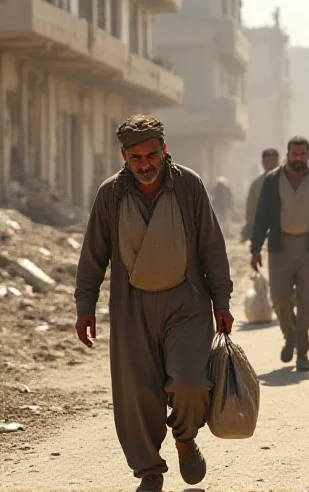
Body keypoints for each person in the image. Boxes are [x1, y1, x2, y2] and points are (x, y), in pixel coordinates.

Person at [74, 114, 234, 492]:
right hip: (132, 308)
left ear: (164, 150)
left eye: (150, 155)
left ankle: (185, 439)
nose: (144, 165)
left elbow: (212, 246)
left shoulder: (188, 186)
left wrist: (222, 300)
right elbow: (93, 255)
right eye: (135, 158)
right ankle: (149, 470)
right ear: (124, 157)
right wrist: (85, 306)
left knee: (192, 381)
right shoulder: (110, 194)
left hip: (187, 303)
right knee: (138, 393)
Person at [250, 136, 309, 372]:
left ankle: (302, 352)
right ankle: (289, 335)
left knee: (308, 304)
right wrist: (255, 249)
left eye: (302, 155)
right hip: (280, 248)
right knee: (279, 298)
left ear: (308, 156)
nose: (298, 159)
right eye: (294, 155)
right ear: (287, 155)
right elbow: (261, 216)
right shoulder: (273, 180)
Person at [242, 148, 280, 243]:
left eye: (273, 161)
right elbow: (251, 206)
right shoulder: (257, 183)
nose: (270, 164)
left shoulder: (286, 181)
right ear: (263, 163)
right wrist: (250, 224)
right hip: (262, 226)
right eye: (268, 161)